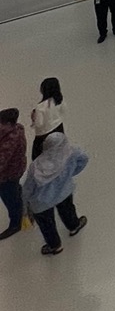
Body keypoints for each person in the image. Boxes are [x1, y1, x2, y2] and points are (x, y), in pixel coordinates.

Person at [23, 132, 89, 254]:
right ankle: (74, 226)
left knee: (46, 224)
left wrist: (25, 203)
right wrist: (71, 173)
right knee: (68, 210)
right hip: (64, 192)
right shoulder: (71, 153)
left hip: (42, 202)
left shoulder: (36, 166)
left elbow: (28, 188)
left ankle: (55, 246)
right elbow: (84, 159)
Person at [0, 109, 24, 239]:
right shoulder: (19, 128)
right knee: (14, 191)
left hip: (7, 176)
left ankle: (15, 224)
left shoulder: (9, 141)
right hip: (17, 168)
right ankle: (19, 193)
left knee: (10, 199)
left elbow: (1, 162)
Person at [30, 78, 64, 159]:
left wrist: (33, 119)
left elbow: (39, 124)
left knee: (40, 163)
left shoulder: (41, 106)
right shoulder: (60, 103)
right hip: (59, 131)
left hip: (43, 136)